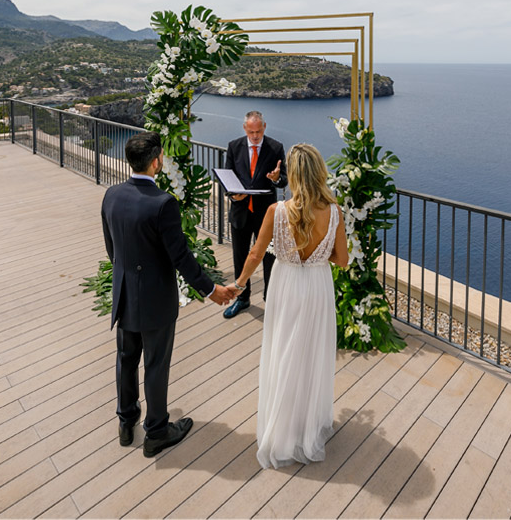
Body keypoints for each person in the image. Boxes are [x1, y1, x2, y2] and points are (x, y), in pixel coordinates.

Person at [101, 131, 234, 458]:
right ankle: (157, 431)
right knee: (156, 364)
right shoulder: (163, 203)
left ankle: (126, 421)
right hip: (155, 299)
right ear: (156, 161)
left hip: (123, 294)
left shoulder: (111, 195)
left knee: (126, 359)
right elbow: (181, 257)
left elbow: (111, 250)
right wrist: (211, 289)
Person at [226, 143, 349, 469]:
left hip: (286, 285)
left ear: (292, 175)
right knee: (311, 353)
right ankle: (308, 426)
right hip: (318, 286)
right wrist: (320, 254)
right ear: (320, 172)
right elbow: (343, 260)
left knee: (283, 350)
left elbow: (254, 255)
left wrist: (237, 286)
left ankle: (283, 428)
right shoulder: (335, 211)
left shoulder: (276, 212)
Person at [222, 110, 288, 319]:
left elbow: (284, 180)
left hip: (265, 214)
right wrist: (234, 197)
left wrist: (277, 178)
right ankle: (243, 298)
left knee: (269, 258)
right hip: (240, 212)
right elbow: (227, 179)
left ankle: (270, 299)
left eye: (258, 131)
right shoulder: (234, 146)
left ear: (264, 127)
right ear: (245, 129)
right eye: (251, 132)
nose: (255, 136)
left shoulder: (275, 147)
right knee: (240, 256)